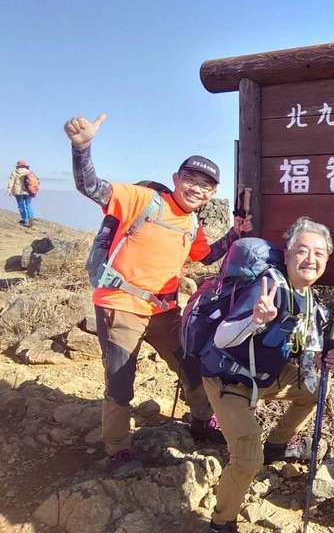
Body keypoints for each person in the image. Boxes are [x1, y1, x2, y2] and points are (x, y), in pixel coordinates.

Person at [63, 113, 253, 475]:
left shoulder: (192, 221)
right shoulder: (144, 199)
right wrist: (82, 147)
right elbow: (91, 187)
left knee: (190, 365)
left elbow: (204, 256)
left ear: (212, 193)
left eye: (206, 185)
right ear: (175, 179)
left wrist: (234, 234)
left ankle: (202, 420)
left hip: (164, 311)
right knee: (121, 378)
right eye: (190, 180)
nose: (196, 189)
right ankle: (118, 448)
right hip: (120, 305)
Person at [202, 217, 334, 533]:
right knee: (248, 458)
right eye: (302, 251)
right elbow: (222, 338)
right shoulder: (268, 287)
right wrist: (256, 320)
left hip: (266, 373)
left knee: (316, 389)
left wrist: (319, 361)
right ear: (287, 255)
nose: (311, 259)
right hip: (230, 378)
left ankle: (277, 444)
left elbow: (306, 356)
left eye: (319, 253)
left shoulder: (310, 299)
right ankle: (221, 522)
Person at [6, 159, 35, 227]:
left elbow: (11, 182)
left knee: (21, 205)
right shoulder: (29, 172)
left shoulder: (15, 172)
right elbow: (34, 181)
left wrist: (9, 190)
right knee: (28, 204)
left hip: (18, 192)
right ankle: (31, 219)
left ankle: (25, 220)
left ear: (18, 165)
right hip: (28, 191)